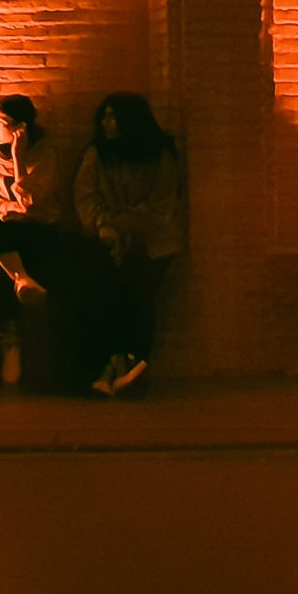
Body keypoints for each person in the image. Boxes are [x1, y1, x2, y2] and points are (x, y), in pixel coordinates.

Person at [75, 92, 183, 396]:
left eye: (113, 116)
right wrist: (103, 224)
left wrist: (122, 224)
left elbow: (160, 207)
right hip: (107, 238)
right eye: (104, 116)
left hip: (153, 242)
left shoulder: (160, 156)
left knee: (136, 285)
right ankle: (121, 363)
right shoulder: (97, 155)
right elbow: (85, 196)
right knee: (108, 289)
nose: (106, 123)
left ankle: (123, 363)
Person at [0, 94, 65, 384]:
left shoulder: (45, 155)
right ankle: (21, 280)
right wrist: (7, 207)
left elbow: (31, 204)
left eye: (1, 122)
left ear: (20, 128)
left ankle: (12, 341)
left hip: (37, 232)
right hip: (6, 230)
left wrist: (18, 157)